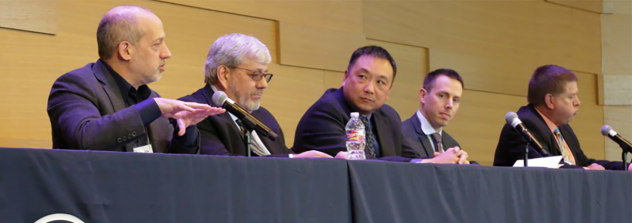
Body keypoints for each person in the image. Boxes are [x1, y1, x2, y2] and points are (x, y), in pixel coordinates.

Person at [47, 5, 224, 153]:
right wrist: (151, 109)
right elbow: (85, 138)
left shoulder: (151, 98)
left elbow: (171, 166)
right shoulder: (75, 86)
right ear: (126, 51)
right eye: (157, 44)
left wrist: (186, 132)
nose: (167, 53)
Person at [292, 45, 467, 163]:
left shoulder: (388, 116)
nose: (370, 89)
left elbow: (409, 158)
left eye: (380, 82)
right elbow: (360, 164)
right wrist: (428, 163)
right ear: (345, 77)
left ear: (389, 91)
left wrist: (449, 159)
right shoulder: (326, 112)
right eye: (362, 77)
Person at [179, 33, 329, 158]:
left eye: (265, 75)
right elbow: (222, 166)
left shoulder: (263, 116)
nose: (264, 84)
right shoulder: (194, 111)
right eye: (256, 75)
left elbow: (281, 155)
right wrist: (293, 160)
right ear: (224, 74)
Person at [494, 65, 628, 170]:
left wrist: (626, 167)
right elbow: (546, 169)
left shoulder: (563, 128)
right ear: (550, 101)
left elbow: (583, 162)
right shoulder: (524, 127)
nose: (578, 102)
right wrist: (585, 171)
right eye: (571, 97)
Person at [402, 69, 469, 162]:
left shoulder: (453, 145)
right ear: (423, 96)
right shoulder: (401, 135)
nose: (450, 105)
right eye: (442, 96)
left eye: (455, 100)